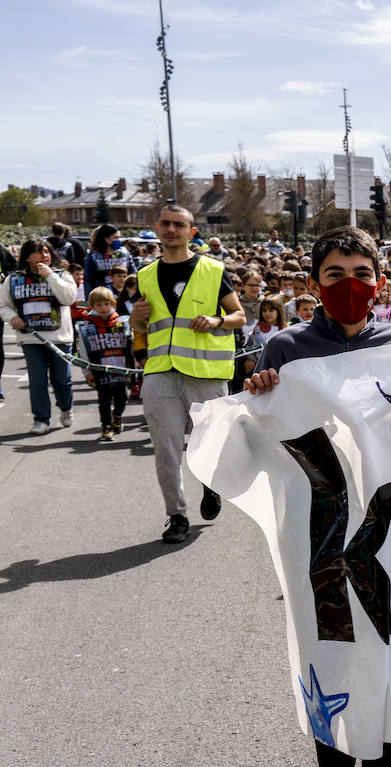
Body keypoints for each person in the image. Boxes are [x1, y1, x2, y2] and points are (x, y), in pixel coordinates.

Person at [243, 225, 391, 767]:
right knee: (330, 663)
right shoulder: (284, 349)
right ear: (312, 285)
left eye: (362, 274)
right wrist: (256, 396)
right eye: (334, 276)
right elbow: (262, 445)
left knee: (389, 667)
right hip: (320, 545)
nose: (350, 287)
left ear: (381, 283)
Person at [129, 204, 245, 545]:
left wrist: (216, 320)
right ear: (156, 228)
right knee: (166, 448)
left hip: (205, 373)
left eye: (179, 224)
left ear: (191, 232)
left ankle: (211, 486)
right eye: (165, 223)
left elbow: (239, 316)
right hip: (160, 372)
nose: (171, 229)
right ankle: (176, 515)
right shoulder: (146, 274)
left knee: (207, 443)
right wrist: (136, 317)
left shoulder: (213, 270)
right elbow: (142, 326)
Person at [0, 239, 78, 434]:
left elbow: (68, 298)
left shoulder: (62, 276)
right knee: (37, 381)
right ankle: (41, 419)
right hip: (31, 339)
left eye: (47, 252)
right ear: (26, 257)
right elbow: (3, 305)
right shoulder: (13, 279)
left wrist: (51, 276)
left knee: (62, 379)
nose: (44, 256)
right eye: (38, 252)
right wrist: (13, 319)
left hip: (59, 338)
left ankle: (66, 408)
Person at [76, 286, 133, 442]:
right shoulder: (86, 327)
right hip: (100, 370)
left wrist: (132, 365)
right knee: (104, 401)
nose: (103, 308)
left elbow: (130, 345)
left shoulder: (123, 323)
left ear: (113, 304)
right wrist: (87, 372)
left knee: (122, 398)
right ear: (92, 306)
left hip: (120, 369)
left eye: (106, 304)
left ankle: (117, 416)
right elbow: (83, 350)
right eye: (99, 305)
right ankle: (106, 427)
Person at [85, 224, 132, 295]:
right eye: (115, 238)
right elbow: (88, 279)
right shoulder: (94, 255)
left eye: (119, 237)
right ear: (106, 239)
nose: (118, 240)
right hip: (102, 294)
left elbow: (133, 272)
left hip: (123, 293)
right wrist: (89, 297)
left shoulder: (124, 252)